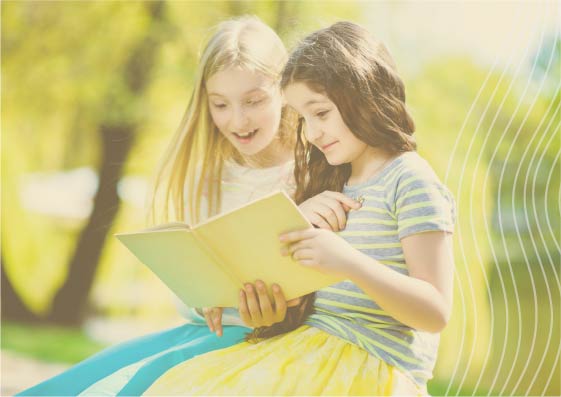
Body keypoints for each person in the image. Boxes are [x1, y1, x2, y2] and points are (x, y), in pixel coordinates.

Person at [144, 21, 456, 396]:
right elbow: (304, 300)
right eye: (303, 118)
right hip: (308, 353)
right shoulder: (334, 180)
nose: (310, 133)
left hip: (369, 369)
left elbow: (435, 312)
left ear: (363, 94)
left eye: (320, 113)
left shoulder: (410, 180)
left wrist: (347, 260)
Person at [18, 15, 300, 396]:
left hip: (275, 341)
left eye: (254, 101)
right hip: (208, 334)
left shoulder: (314, 169)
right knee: (87, 383)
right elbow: (190, 296)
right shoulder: (207, 177)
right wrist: (204, 301)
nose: (238, 120)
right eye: (220, 104)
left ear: (284, 90)